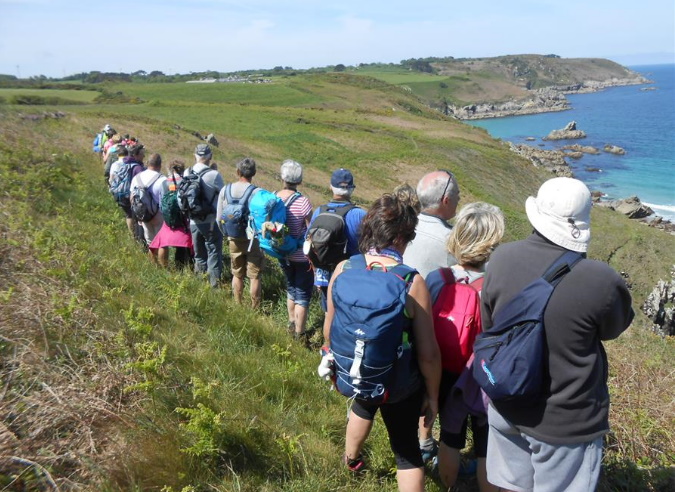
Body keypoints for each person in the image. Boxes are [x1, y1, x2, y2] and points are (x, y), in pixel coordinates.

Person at [481, 177, 634, 492]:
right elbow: (614, 329)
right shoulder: (600, 279)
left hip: (506, 401)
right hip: (564, 421)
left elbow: (489, 323)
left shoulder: (500, 258)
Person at [323, 194, 441, 492]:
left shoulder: (344, 269)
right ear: (402, 237)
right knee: (406, 451)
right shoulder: (411, 282)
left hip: (359, 369)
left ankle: (350, 460)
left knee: (363, 407)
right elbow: (428, 354)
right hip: (399, 382)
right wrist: (433, 394)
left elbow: (329, 328)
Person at [425, 202, 504, 492]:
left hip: (445, 372)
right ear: (492, 242)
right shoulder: (497, 286)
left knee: (450, 437)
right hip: (484, 376)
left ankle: (449, 486)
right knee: (486, 445)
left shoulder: (437, 278)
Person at [402, 170, 461, 461]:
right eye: (458, 197)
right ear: (446, 200)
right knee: (429, 383)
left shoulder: (404, 228)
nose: (459, 201)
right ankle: (424, 441)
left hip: (397, 319)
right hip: (432, 323)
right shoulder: (450, 240)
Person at [309, 168, 366, 311]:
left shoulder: (319, 211)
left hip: (326, 272)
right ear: (351, 189)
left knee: (328, 311)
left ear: (331, 187)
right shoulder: (360, 215)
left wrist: (316, 270)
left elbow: (308, 243)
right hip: (351, 274)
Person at [275, 160, 313, 340]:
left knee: (291, 287)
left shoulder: (274, 197)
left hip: (282, 252)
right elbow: (310, 231)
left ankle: (291, 322)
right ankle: (300, 334)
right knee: (303, 294)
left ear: (282, 177)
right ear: (299, 180)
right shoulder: (303, 202)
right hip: (301, 256)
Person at [217, 157, 262, 305]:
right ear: (253, 173)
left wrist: (226, 234)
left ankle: (238, 304)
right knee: (254, 275)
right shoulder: (257, 192)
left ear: (238, 171)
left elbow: (219, 218)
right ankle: (255, 308)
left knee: (237, 273)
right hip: (252, 239)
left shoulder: (226, 189)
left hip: (233, 237)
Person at [403, 170, 460, 279]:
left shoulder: (402, 226)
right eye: (457, 194)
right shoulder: (451, 240)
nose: (458, 199)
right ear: (446, 200)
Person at [186, 144, 224, 288]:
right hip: (211, 222)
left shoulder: (186, 172)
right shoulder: (214, 175)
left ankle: (199, 286)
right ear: (210, 157)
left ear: (194, 156)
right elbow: (223, 198)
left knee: (199, 255)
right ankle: (214, 288)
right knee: (213, 254)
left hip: (193, 221)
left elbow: (180, 198)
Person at [149, 159, 193, 270]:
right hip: (183, 219)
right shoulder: (185, 181)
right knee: (182, 245)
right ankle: (181, 267)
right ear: (182, 169)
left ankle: (164, 268)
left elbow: (161, 203)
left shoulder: (164, 182)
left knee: (163, 243)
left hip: (168, 219)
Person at [131, 153, 167, 264]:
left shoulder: (137, 178)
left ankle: (154, 266)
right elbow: (165, 201)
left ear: (148, 163)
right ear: (159, 165)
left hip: (144, 214)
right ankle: (164, 268)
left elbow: (132, 197)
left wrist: (138, 215)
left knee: (150, 243)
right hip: (158, 214)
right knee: (162, 243)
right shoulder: (163, 179)